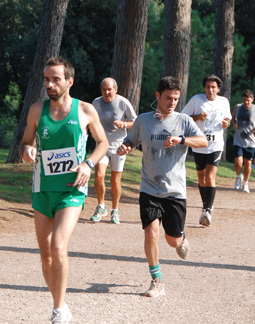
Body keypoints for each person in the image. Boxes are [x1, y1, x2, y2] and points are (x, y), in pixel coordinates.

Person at [19, 57, 109, 324]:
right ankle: (62, 304)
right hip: (42, 189)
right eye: (46, 79)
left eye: (55, 79)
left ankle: (58, 313)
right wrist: (27, 151)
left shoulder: (85, 110)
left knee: (58, 247)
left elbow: (103, 143)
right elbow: (25, 143)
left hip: (72, 189)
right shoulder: (36, 111)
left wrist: (89, 164)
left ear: (69, 81)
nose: (49, 84)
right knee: (45, 257)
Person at [117, 76, 207, 298]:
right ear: (158, 96)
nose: (172, 102)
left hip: (175, 190)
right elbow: (131, 140)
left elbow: (203, 141)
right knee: (150, 232)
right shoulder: (143, 120)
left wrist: (182, 140)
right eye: (168, 98)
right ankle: (157, 281)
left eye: (176, 98)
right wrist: (125, 147)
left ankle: (182, 238)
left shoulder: (184, 120)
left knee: (172, 240)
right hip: (149, 187)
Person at [181, 74, 231, 226]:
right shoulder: (197, 100)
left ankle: (208, 211)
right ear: (204, 88)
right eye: (208, 87)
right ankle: (205, 206)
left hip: (216, 144)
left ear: (218, 89)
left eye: (213, 87)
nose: (210, 90)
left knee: (210, 177)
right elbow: (183, 116)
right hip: (199, 144)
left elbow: (227, 118)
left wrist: (226, 123)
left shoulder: (223, 101)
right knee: (201, 179)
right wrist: (197, 117)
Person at [90, 78, 137, 224]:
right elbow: (90, 120)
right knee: (98, 175)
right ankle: (101, 206)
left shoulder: (123, 103)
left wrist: (123, 123)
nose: (106, 92)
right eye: (104, 89)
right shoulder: (96, 103)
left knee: (115, 180)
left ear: (116, 89)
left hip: (119, 147)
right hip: (102, 145)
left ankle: (115, 210)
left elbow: (136, 122)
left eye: (109, 89)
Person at [232, 90, 255, 193]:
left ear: (252, 99)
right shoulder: (238, 107)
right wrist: (234, 123)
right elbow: (233, 118)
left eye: (248, 100)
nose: (246, 103)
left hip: (250, 141)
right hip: (238, 139)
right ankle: (238, 177)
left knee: (248, 163)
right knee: (238, 161)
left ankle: (245, 183)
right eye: (245, 100)